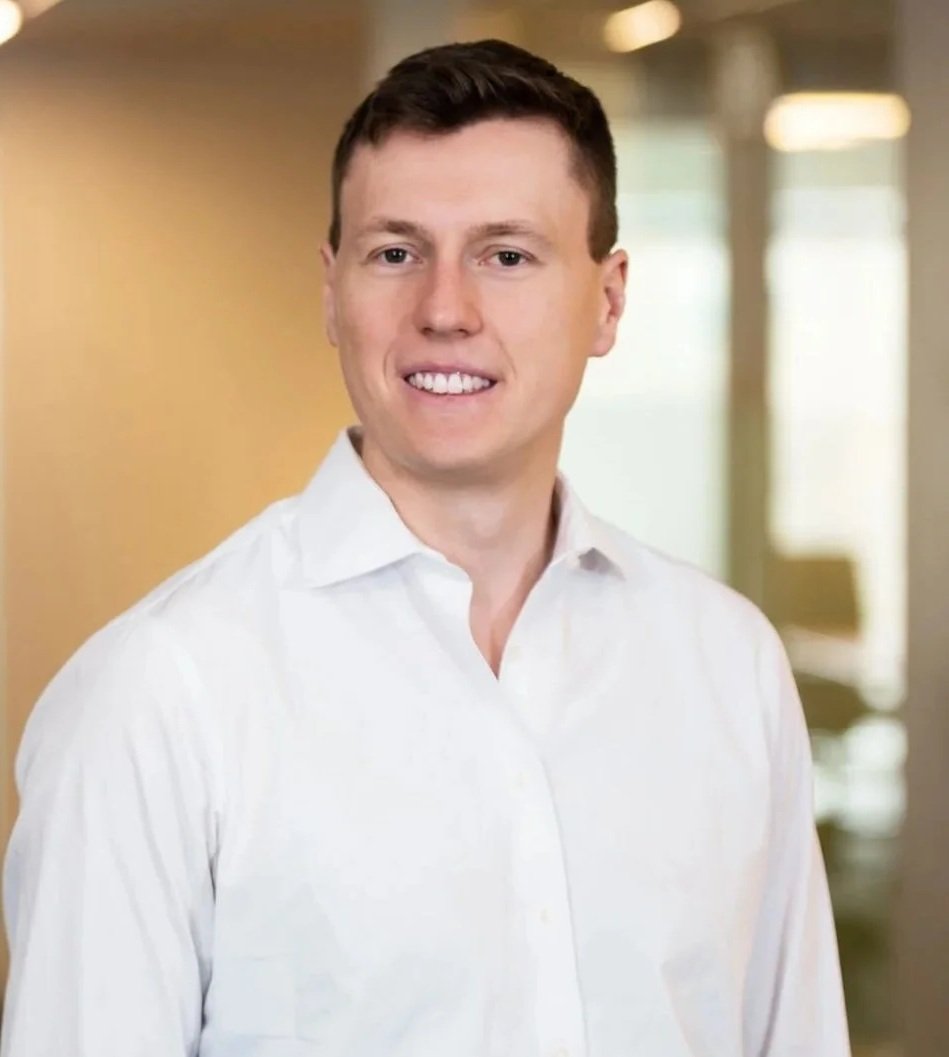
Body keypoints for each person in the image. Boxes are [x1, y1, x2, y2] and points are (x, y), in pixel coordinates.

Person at [0, 38, 850, 1057]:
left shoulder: (728, 667)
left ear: (608, 300)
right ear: (331, 290)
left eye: (506, 254)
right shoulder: (157, 698)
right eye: (395, 252)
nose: (444, 310)